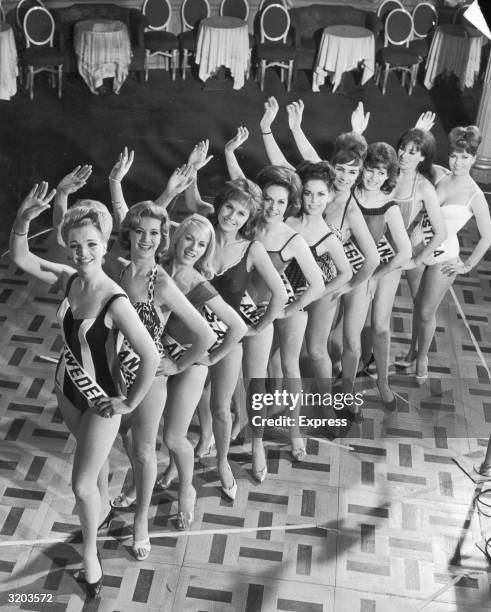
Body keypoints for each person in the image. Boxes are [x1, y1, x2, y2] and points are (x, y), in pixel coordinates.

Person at [10, 186, 160, 597]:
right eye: (74, 245)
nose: (82, 252)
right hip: (67, 387)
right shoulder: (68, 280)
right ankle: (105, 506)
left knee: (80, 484)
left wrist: (130, 401)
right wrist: (24, 219)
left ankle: (91, 559)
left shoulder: (115, 299)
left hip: (102, 400)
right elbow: (21, 258)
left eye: (91, 244)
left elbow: (149, 355)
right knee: (92, 475)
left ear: (104, 242)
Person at [103, 152, 217, 547]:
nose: (148, 239)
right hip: (114, 371)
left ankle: (141, 526)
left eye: (155, 234)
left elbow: (205, 334)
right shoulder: (118, 268)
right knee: (123, 441)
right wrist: (116, 182)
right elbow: (127, 214)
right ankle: (135, 490)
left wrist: (175, 365)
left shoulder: (161, 281)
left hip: (150, 377)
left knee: (147, 450)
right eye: (141, 233)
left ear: (162, 239)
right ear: (129, 235)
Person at [225, 128, 344, 467]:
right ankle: (244, 418)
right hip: (250, 308)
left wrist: (291, 307)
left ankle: (294, 432)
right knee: (250, 372)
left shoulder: (292, 236)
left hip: (290, 307)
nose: (274, 207)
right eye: (268, 200)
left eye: (280, 202)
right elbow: (240, 183)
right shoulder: (249, 224)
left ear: (287, 204)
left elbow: (319, 283)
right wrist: (231, 152)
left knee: (289, 367)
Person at [184, 170, 288, 499]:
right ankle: (196, 447)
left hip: (228, 340)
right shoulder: (201, 234)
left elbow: (280, 295)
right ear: (220, 205)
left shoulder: (252, 249)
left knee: (220, 407)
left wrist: (258, 326)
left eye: (241, 213)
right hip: (190, 336)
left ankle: (223, 462)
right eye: (229, 207)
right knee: (190, 403)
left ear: (249, 218)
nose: (232, 216)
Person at [154, 214, 248, 525]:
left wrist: (210, 359)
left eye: (202, 243)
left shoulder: (197, 282)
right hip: (156, 359)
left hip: (188, 363)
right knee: (150, 431)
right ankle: (166, 473)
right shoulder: (159, 266)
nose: (194, 247)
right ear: (177, 237)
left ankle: (187, 493)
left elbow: (236, 325)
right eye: (189, 239)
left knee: (173, 437)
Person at [399, 126, 491, 379]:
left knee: (427, 311)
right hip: (417, 247)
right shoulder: (439, 174)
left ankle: (422, 358)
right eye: (454, 155)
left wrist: (468, 265)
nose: (458, 162)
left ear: (473, 159)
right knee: (417, 306)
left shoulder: (475, 195)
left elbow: (487, 237)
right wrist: (420, 132)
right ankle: (410, 352)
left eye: (464, 157)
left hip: (444, 256)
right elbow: (409, 166)